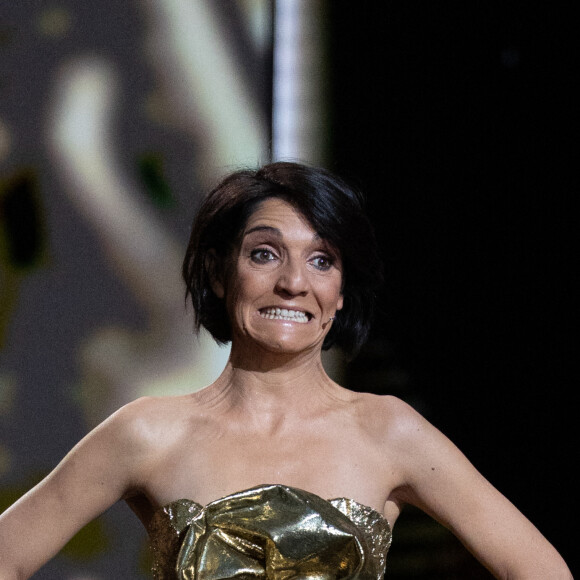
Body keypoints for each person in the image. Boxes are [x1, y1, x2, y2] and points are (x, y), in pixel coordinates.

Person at [0, 162, 572, 579]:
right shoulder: (148, 432)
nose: (294, 282)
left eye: (321, 260)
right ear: (221, 275)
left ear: (341, 291)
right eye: (264, 253)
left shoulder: (388, 431)